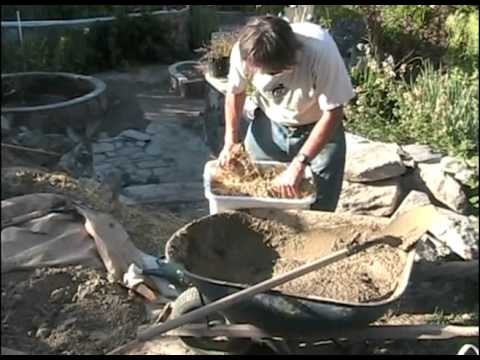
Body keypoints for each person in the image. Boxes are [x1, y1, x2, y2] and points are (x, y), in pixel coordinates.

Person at [218, 15, 355, 211]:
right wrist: (230, 141)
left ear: (290, 63)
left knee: (320, 206)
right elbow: (235, 92)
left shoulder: (321, 50)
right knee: (253, 192)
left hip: (319, 127)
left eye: (269, 73)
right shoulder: (245, 50)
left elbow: (333, 111)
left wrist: (300, 162)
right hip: (269, 123)